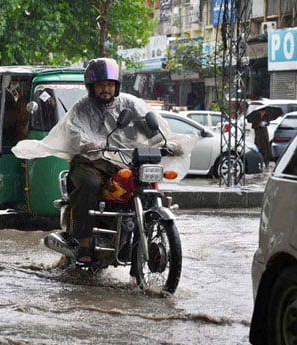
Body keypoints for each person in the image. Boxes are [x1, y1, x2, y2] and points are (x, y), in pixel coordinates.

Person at [11, 58, 193, 265]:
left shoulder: (130, 103)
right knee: (90, 184)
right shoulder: (82, 107)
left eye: (109, 84)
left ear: (116, 86)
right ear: (92, 87)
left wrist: (169, 142)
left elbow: (153, 124)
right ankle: (85, 242)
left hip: (124, 161)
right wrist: (87, 144)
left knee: (145, 185)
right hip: (90, 162)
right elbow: (73, 130)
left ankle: (141, 235)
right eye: (100, 85)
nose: (105, 89)